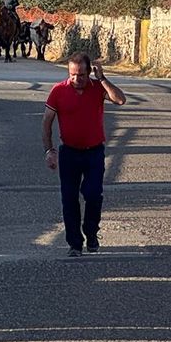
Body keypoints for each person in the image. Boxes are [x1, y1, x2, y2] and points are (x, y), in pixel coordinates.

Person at [41, 52, 126, 255]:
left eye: (81, 74)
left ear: (89, 72)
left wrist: (102, 78)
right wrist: (49, 150)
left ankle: (91, 233)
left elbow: (120, 100)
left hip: (94, 153)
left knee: (93, 194)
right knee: (69, 199)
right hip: (69, 153)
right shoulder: (58, 91)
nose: (76, 79)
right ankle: (75, 244)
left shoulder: (97, 88)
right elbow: (46, 122)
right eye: (73, 74)